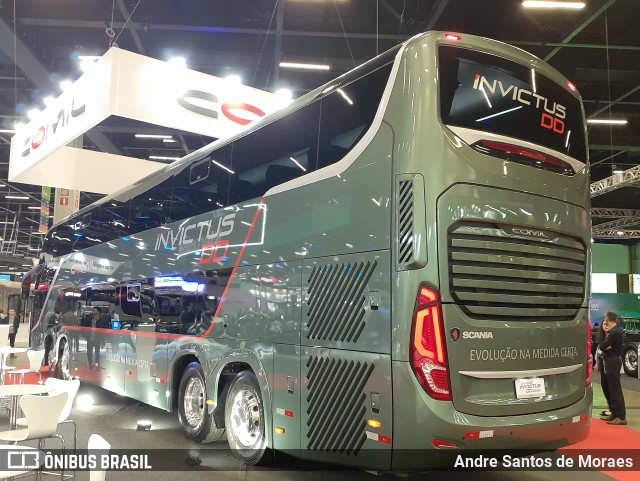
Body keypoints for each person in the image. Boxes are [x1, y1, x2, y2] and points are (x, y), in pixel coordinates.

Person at [598, 312, 627, 425]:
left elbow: (602, 346)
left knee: (615, 389)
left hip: (612, 361)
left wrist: (605, 346)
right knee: (609, 388)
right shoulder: (615, 331)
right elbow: (605, 346)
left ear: (608, 319)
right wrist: (606, 346)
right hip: (610, 360)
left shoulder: (614, 332)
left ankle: (621, 416)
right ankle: (614, 414)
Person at [593, 322, 611, 418]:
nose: (605, 325)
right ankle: (610, 408)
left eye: (607, 324)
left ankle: (613, 409)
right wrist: (597, 364)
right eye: (603, 324)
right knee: (605, 387)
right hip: (603, 365)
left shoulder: (613, 336)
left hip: (611, 366)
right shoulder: (602, 338)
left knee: (611, 388)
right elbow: (598, 352)